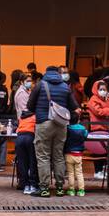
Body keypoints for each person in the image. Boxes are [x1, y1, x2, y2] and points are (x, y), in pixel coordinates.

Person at [31, 66, 78, 197]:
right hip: (61, 125)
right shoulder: (65, 87)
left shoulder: (40, 85)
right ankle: (59, 188)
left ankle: (45, 189)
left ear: (46, 73)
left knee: (43, 156)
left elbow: (30, 105)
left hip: (44, 123)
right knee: (58, 157)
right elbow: (74, 107)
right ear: (58, 74)